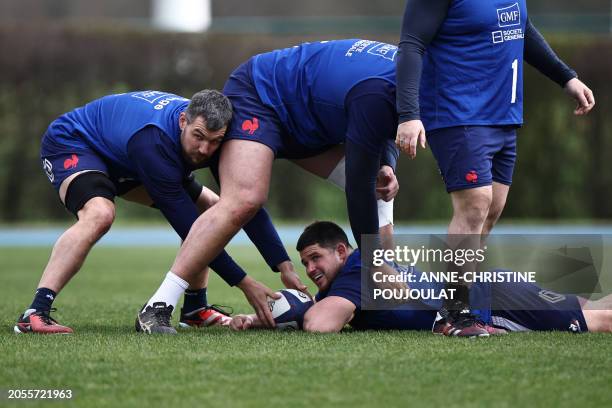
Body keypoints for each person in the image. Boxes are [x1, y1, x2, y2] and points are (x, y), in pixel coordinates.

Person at [140, 39, 405, 331]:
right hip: (261, 96)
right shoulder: (386, 85)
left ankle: (384, 287)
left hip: (309, 121)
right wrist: (372, 258)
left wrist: (387, 164)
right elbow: (360, 171)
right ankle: (158, 306)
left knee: (380, 186)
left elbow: (384, 126)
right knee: (244, 199)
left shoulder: (409, 77)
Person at [15, 90, 307, 335]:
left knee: (214, 209)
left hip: (125, 154)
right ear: (183, 120)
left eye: (215, 141)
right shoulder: (153, 142)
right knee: (100, 214)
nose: (205, 149)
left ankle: (195, 309)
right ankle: (35, 312)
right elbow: (191, 230)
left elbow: (245, 202)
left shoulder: (219, 139)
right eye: (198, 136)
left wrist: (283, 265)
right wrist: (245, 283)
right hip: (77, 142)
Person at [394, 0, 596, 335]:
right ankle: (453, 314)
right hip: (458, 113)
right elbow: (411, 45)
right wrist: (409, 115)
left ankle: (462, 306)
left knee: (491, 209)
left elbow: (522, 30)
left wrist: (566, 78)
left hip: (503, 116)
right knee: (475, 204)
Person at [230, 221, 612, 335]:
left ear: (341, 252)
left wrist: (297, 313)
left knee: (598, 322)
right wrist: (256, 318)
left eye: (316, 258)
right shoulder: (361, 268)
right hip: (488, 287)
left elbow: (318, 323)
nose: (310, 270)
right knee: (588, 305)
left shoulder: (357, 274)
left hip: (488, 303)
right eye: (305, 263)